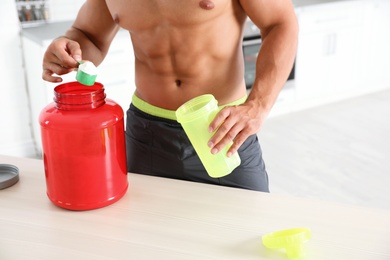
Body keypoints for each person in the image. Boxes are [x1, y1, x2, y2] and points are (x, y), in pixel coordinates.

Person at [42, 0, 298, 192]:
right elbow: (88, 35)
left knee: (249, 231)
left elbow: (280, 22)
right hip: (146, 134)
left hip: (223, 129)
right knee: (149, 233)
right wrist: (68, 47)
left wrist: (259, 105)